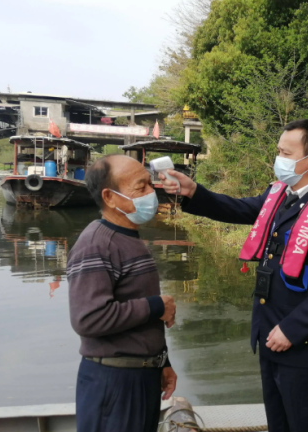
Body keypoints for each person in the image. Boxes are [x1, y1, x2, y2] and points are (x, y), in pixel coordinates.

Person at [161, 119, 308, 432]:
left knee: (306, 425)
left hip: (301, 342)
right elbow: (239, 209)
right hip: (268, 332)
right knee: (278, 424)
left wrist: (293, 330)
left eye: (285, 152)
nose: (278, 157)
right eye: (278, 150)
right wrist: (194, 192)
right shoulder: (280, 194)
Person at [68, 155, 178, 432]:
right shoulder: (96, 245)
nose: (151, 193)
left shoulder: (128, 237)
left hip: (141, 375)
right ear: (110, 197)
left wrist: (162, 360)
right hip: (114, 382)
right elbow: (89, 319)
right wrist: (156, 305)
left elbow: (135, 312)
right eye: (141, 188)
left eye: (150, 185)